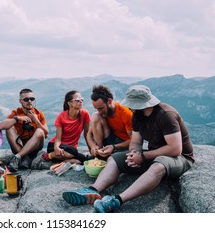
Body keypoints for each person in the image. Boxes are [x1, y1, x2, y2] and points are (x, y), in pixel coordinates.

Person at [62, 85, 194, 213]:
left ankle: (117, 200)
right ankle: (92, 190)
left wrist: (143, 157)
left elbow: (175, 148)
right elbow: (136, 142)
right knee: (115, 158)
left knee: (158, 165)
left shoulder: (166, 115)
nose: (130, 107)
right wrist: (133, 155)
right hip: (154, 155)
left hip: (179, 158)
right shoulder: (137, 116)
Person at [32, 90, 91, 169]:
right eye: (77, 100)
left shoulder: (85, 114)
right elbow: (58, 138)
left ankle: (54, 164)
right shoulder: (61, 116)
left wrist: (91, 149)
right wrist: (56, 148)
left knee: (82, 161)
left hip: (70, 149)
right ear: (69, 103)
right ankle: (46, 156)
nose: (81, 102)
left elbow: (87, 134)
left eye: (82, 100)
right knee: (73, 153)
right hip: (55, 146)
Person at [0, 88, 49, 171]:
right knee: (9, 128)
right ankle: (24, 157)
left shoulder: (39, 113)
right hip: (20, 145)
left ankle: (18, 157)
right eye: (26, 99)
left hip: (35, 146)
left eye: (32, 99)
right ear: (20, 101)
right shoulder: (16, 112)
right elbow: (2, 126)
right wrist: (17, 118)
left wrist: (36, 121)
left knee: (40, 131)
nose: (29, 101)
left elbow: (46, 133)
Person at [86, 85, 132, 159]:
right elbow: (89, 134)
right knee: (95, 116)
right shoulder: (102, 114)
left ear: (109, 101)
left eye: (101, 108)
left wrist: (114, 147)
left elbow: (135, 140)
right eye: (97, 109)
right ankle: (99, 153)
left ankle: (105, 156)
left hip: (124, 145)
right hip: (112, 140)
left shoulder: (125, 113)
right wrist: (93, 146)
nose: (99, 111)